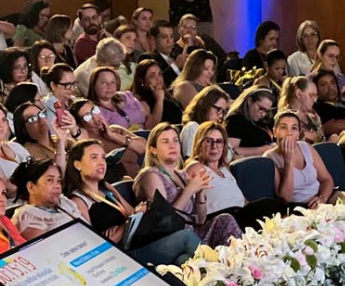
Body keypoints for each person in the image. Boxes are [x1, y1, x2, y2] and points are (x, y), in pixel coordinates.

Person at [65, 140, 201, 266]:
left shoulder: (107, 189)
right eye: (94, 157)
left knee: (184, 260)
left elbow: (133, 213)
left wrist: (141, 211)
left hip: (141, 243)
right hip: (122, 256)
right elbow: (95, 246)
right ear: (77, 164)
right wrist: (125, 226)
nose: (101, 163)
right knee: (186, 237)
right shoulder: (78, 201)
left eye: (103, 158)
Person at [134, 123, 242, 248]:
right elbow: (165, 221)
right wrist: (190, 189)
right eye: (165, 142)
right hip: (172, 238)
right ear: (153, 149)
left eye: (175, 141)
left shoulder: (181, 176)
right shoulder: (150, 175)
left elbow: (200, 220)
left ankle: (244, 262)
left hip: (192, 233)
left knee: (225, 219)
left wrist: (200, 193)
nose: (172, 145)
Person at [185, 121, 287, 231]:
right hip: (219, 219)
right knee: (268, 205)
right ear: (199, 144)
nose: (214, 146)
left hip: (241, 214)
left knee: (276, 208)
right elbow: (191, 208)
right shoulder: (196, 167)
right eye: (209, 141)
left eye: (219, 141)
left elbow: (243, 201)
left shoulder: (225, 169)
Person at [265, 111, 345, 209]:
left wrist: (322, 198)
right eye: (283, 127)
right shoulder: (269, 158)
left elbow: (326, 179)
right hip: (300, 207)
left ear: (298, 133)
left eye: (294, 128)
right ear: (274, 132)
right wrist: (288, 162)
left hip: (322, 198)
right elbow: (286, 198)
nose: (289, 133)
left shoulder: (306, 147)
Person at [69, 98, 146, 177]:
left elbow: (144, 148)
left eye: (95, 110)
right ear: (80, 124)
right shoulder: (86, 142)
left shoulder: (115, 130)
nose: (95, 117)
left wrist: (114, 136)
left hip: (143, 173)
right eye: (87, 116)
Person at [10, 159, 81, 240]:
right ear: (31, 187)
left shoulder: (65, 203)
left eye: (58, 180)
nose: (57, 186)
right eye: (50, 180)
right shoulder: (27, 218)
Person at [12, 102, 73, 171]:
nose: (40, 120)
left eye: (41, 114)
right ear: (23, 129)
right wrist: (61, 143)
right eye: (32, 119)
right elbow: (55, 173)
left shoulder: (56, 139)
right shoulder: (29, 150)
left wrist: (74, 129)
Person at [179, 86, 230, 159]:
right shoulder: (192, 127)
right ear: (205, 105)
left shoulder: (218, 132)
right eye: (218, 110)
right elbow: (191, 160)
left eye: (223, 112)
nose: (221, 115)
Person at [225, 86, 276, 157]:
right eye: (261, 108)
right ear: (250, 101)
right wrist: (260, 150)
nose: (263, 114)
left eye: (266, 111)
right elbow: (229, 151)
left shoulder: (266, 121)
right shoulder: (235, 120)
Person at [278, 76, 330, 143]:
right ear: (298, 93)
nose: (314, 100)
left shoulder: (313, 116)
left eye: (315, 96)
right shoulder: (284, 118)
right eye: (311, 95)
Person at [132, 59, 183, 128]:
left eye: (159, 74)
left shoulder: (168, 96)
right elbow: (150, 127)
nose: (158, 78)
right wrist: (159, 100)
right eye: (152, 76)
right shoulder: (140, 102)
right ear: (142, 81)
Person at [138, 20, 186, 87]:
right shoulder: (147, 58)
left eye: (171, 37)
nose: (169, 41)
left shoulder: (177, 55)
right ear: (154, 39)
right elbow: (156, 83)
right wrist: (175, 66)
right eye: (164, 37)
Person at [312, 69, 345, 139]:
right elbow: (332, 127)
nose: (330, 87)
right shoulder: (318, 107)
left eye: (332, 82)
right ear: (315, 89)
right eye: (323, 84)